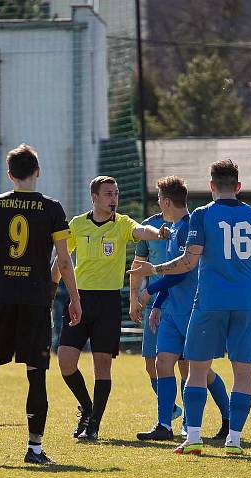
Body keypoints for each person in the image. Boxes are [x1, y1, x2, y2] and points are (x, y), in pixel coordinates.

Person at [131, 159, 251, 455]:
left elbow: (188, 262)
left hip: (208, 304)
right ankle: (234, 440)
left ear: (211, 186)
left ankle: (193, 437)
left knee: (196, 370)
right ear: (239, 187)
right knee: (243, 373)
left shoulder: (203, 215)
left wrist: (154, 271)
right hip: (245, 304)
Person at [0, 144, 81, 465]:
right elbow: (63, 260)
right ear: (38, 171)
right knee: (36, 373)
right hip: (35, 301)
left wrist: (2, 282)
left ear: (10, 174)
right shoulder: (52, 208)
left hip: (1, 300)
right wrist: (74, 299)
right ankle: (34, 449)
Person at [51, 175, 170, 441]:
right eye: (107, 194)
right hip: (78, 299)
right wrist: (50, 290)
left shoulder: (122, 224)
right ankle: (87, 407)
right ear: (94, 197)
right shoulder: (78, 224)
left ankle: (94, 424)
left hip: (107, 303)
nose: (113, 198)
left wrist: (158, 233)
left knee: (102, 366)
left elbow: (141, 231)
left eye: (115, 193)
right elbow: (62, 260)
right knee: (66, 362)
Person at [133, 176, 232, 442]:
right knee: (162, 363)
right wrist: (159, 304)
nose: (158, 204)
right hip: (171, 312)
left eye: (158, 199)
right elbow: (171, 271)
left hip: (192, 312)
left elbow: (179, 272)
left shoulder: (191, 227)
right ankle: (164, 425)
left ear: (166, 201)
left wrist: (149, 291)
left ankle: (224, 418)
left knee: (199, 371)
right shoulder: (174, 228)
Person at [129, 205, 183, 424]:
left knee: (186, 365)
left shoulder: (188, 223)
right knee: (151, 364)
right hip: (154, 305)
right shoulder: (148, 225)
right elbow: (138, 263)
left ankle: (189, 422)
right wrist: (134, 298)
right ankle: (169, 409)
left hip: (181, 303)